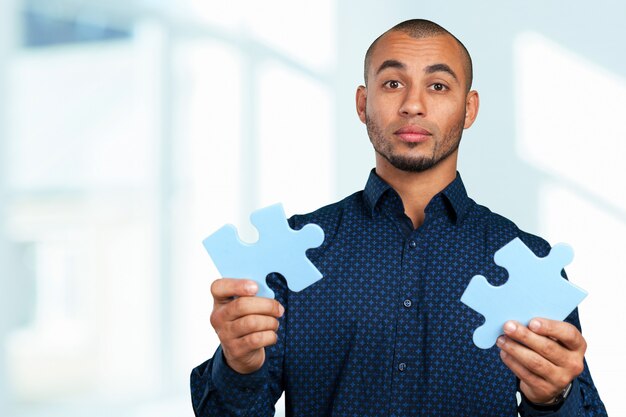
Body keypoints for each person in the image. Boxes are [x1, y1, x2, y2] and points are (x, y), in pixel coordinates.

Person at [190, 19, 607, 416]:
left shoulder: (532, 262)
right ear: (362, 102)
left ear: (469, 109)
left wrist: (555, 397)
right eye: (392, 83)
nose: (413, 104)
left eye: (438, 85)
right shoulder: (292, 246)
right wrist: (237, 365)